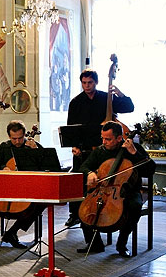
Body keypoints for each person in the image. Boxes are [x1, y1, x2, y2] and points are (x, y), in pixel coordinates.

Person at [65, 69, 134, 227]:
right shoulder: (76, 102)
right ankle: (74, 214)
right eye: (84, 83)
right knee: (77, 180)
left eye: (90, 83)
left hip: (105, 150)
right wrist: (74, 146)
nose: (87, 86)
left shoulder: (106, 98)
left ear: (96, 82)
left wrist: (120, 94)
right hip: (84, 148)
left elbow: (129, 108)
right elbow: (71, 128)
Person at [78, 121, 154, 257]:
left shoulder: (133, 148)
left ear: (119, 138)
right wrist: (90, 173)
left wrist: (134, 153)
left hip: (128, 192)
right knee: (82, 203)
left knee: (134, 206)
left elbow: (150, 169)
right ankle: (95, 243)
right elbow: (84, 167)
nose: (104, 142)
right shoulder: (100, 151)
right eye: (102, 138)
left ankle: (122, 243)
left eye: (108, 139)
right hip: (102, 190)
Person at [0, 121, 47, 249]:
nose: (17, 141)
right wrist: (3, 168)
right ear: (9, 136)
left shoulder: (34, 146)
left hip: (27, 188)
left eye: (20, 138)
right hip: (6, 188)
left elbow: (44, 167)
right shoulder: (4, 147)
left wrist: (36, 151)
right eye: (14, 138)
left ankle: (12, 232)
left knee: (40, 203)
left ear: (24, 135)